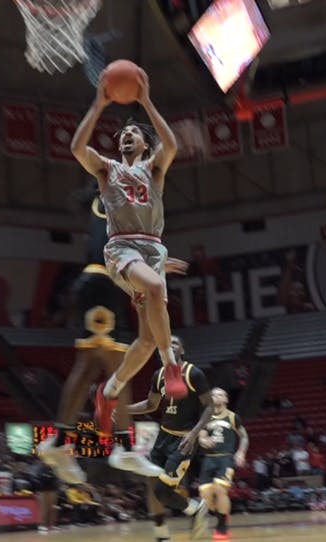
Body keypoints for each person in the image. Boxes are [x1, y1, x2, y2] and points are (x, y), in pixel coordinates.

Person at [37, 190, 185, 483]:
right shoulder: (114, 196)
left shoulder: (111, 205)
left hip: (104, 284)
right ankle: (122, 447)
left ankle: (61, 442)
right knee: (116, 366)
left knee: (93, 366)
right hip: (103, 282)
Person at [70, 68, 187, 437]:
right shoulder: (107, 170)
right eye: (122, 134)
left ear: (145, 144)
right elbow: (76, 149)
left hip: (151, 250)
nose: (125, 137)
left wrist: (146, 100)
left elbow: (172, 147)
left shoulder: (155, 170)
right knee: (154, 289)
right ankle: (171, 368)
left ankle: (109, 393)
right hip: (121, 248)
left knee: (148, 338)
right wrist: (99, 103)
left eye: (133, 133)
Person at [128, 336, 213, 541]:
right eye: (165, 344)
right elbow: (150, 404)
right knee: (152, 483)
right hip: (163, 436)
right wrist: (122, 410)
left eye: (174, 343)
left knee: (162, 491)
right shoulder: (158, 376)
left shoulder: (194, 373)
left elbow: (209, 406)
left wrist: (194, 433)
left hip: (184, 440)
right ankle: (162, 534)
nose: (169, 346)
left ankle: (195, 508)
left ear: (182, 350)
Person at [197, 388, 248, 542]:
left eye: (219, 394)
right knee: (206, 495)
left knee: (220, 490)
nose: (215, 396)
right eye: (213, 394)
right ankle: (222, 514)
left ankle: (221, 526)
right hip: (209, 458)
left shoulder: (233, 417)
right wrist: (204, 441)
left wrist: (241, 452)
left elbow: (244, 436)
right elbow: (201, 437)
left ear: (226, 399)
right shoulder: (206, 417)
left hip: (225, 458)